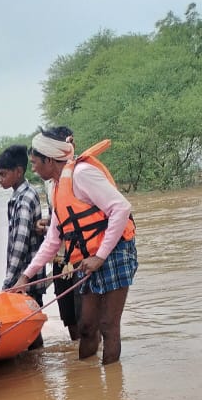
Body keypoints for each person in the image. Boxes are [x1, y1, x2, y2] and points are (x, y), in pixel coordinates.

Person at [13, 127, 137, 364]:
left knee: (109, 326)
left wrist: (100, 256)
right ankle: (85, 388)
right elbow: (52, 240)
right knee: (87, 326)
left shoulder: (82, 174)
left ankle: (112, 394)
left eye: (35, 162)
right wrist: (25, 277)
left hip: (115, 251)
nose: (34, 168)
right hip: (90, 256)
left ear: (49, 160)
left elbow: (121, 208)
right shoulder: (58, 186)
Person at [0, 143, 45, 348]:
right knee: (32, 326)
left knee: (29, 327)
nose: (0, 179)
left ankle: (37, 370)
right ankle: (38, 366)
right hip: (27, 275)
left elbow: (20, 243)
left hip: (25, 278)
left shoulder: (24, 200)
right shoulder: (20, 195)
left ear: (18, 172)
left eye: (3, 174)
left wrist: (9, 282)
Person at [35, 125, 81, 340]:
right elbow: (58, 218)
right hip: (61, 258)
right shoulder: (50, 184)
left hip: (82, 257)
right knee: (70, 317)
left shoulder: (81, 174)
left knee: (87, 319)